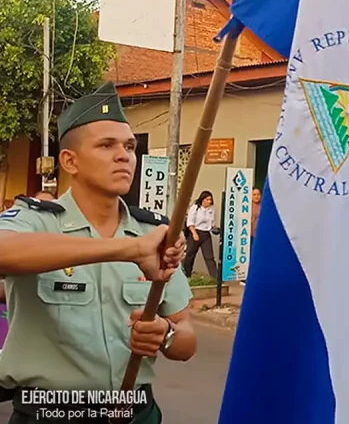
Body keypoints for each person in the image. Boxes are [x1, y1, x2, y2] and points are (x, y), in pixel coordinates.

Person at [0, 81, 196, 423]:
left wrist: (164, 334)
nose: (124, 155)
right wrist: (128, 249)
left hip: (134, 412)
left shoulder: (153, 232)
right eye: (106, 145)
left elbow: (186, 340)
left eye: (130, 146)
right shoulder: (35, 221)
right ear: (69, 161)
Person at [184, 190, 218, 279]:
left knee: (209, 257)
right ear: (202, 199)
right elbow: (190, 222)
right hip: (195, 232)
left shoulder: (211, 210)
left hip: (205, 234)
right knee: (190, 255)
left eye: (210, 200)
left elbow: (211, 224)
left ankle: (215, 277)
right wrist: (194, 233)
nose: (209, 202)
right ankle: (186, 275)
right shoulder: (195, 208)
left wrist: (214, 229)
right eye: (207, 199)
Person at [241, 187, 261, 287]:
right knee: (247, 255)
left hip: (259, 235)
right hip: (248, 235)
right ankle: (245, 277)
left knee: (257, 256)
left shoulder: (263, 206)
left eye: (258, 194)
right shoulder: (247, 206)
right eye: (254, 194)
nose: (257, 196)